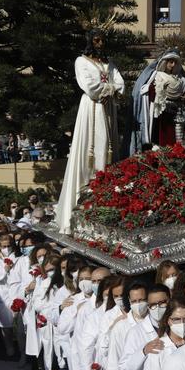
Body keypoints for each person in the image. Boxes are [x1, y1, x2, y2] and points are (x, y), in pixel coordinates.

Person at [55, 30, 125, 235]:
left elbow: (120, 83)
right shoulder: (81, 61)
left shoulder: (109, 63)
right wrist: (109, 89)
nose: (100, 43)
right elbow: (90, 87)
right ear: (90, 41)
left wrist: (110, 90)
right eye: (96, 40)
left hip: (108, 108)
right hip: (92, 108)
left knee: (109, 148)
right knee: (89, 150)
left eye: (103, 39)